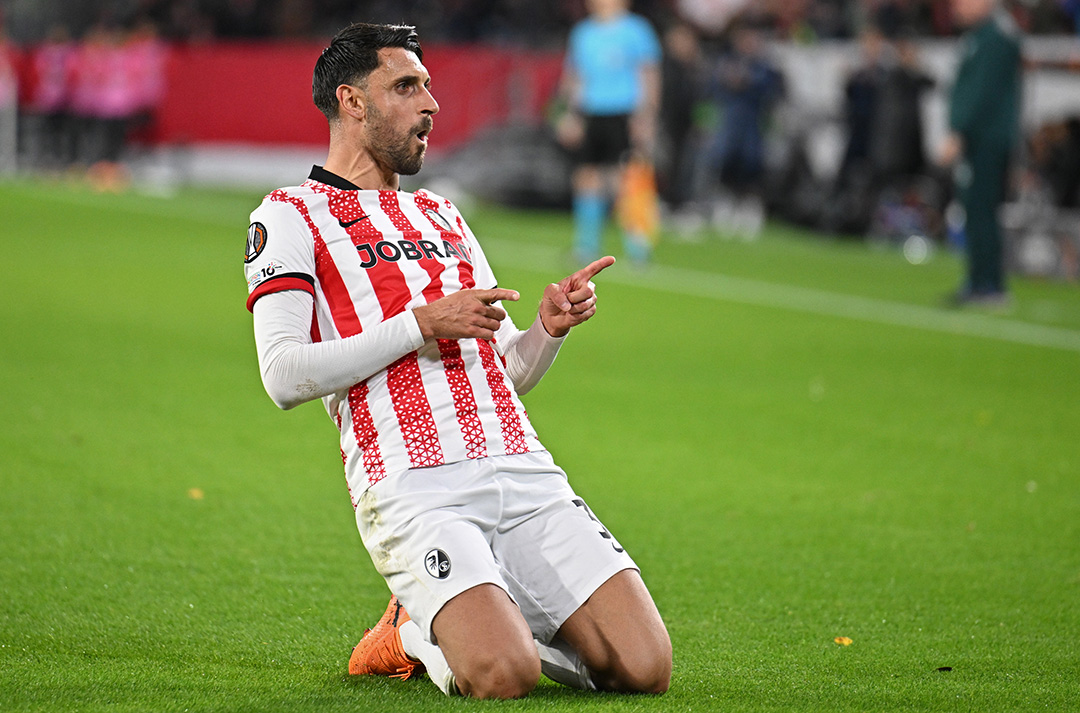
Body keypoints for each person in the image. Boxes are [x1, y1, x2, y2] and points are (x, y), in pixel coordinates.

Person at [243, 23, 671, 700]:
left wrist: (547, 330)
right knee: (503, 675)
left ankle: (482, 608)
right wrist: (420, 324)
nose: (430, 104)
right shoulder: (291, 216)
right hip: (413, 484)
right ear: (351, 102)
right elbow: (283, 375)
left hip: (521, 467)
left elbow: (507, 371)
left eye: (427, 86)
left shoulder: (443, 213)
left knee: (644, 667)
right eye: (405, 87)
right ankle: (412, 630)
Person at [558, 0, 662, 265]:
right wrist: (571, 114)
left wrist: (647, 115)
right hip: (592, 111)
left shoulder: (637, 30)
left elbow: (648, 74)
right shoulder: (583, 32)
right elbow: (575, 75)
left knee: (625, 179)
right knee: (586, 177)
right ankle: (586, 246)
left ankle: (637, 245)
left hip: (623, 112)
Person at [939, 0, 1022, 305]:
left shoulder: (996, 36)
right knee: (974, 209)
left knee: (982, 209)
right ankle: (978, 279)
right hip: (980, 138)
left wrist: (959, 130)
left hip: (987, 139)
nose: (958, 6)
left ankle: (988, 283)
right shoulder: (979, 35)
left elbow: (981, 91)